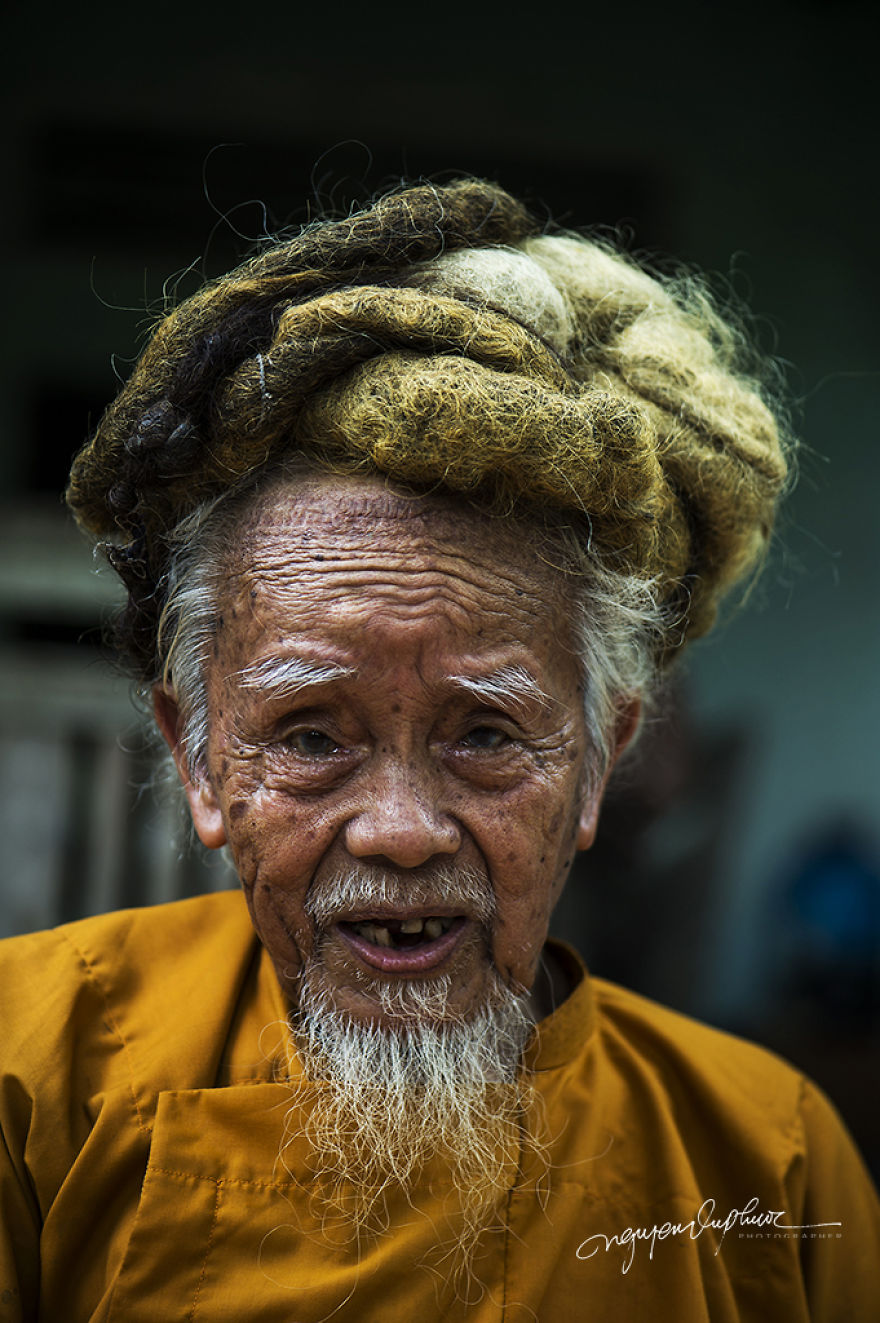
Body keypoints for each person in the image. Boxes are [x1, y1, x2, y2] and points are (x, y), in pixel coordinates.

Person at [1, 179, 877, 1322]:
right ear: (201, 759)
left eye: (486, 735)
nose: (401, 831)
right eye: (311, 736)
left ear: (601, 761)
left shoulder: (770, 1165)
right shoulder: (29, 1074)